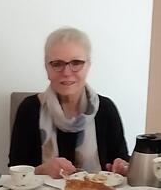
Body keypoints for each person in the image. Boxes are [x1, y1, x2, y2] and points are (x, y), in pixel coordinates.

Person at [8, 27, 130, 178]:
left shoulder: (106, 108)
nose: (66, 72)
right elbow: (15, 168)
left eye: (76, 62)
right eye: (57, 64)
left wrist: (123, 166)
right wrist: (42, 170)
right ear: (47, 68)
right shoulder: (29, 109)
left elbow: (121, 160)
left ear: (88, 66)